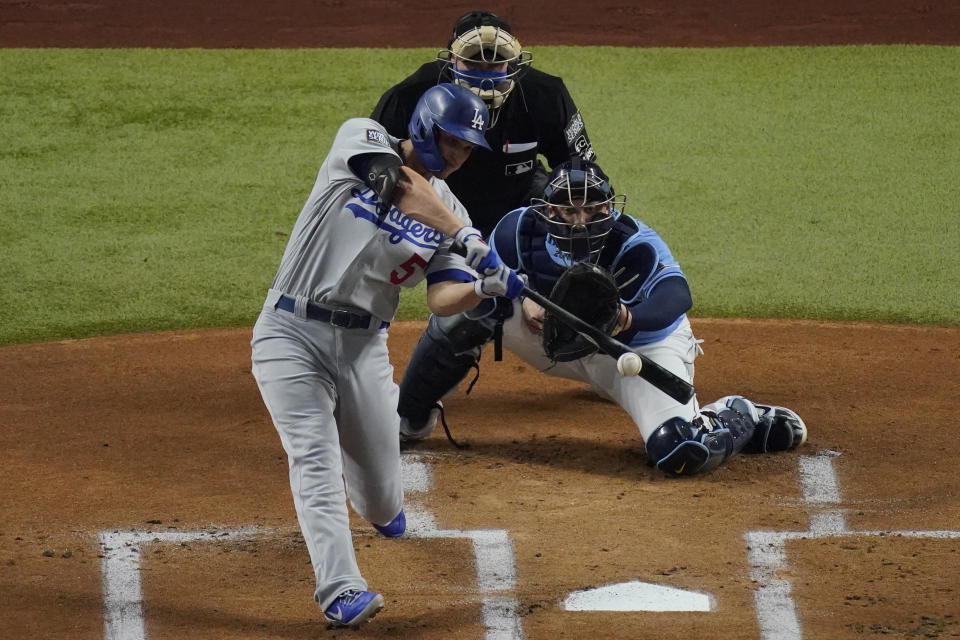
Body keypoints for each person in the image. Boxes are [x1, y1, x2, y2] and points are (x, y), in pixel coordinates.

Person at [250, 83, 524, 628]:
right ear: (424, 126)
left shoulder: (452, 210)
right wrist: (468, 235)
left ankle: (381, 509)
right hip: (289, 333)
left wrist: (485, 287)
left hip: (363, 349)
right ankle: (340, 588)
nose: (457, 156)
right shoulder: (362, 138)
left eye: (468, 149)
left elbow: (443, 296)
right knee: (314, 457)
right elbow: (395, 186)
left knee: (380, 500)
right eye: (452, 141)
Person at [400, 158, 808, 476]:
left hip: (631, 353)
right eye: (567, 210)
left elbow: (675, 295)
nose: (580, 220)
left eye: (592, 209)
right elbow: (469, 283)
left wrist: (625, 319)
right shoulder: (516, 231)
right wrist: (522, 294)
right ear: (547, 210)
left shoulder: (634, 243)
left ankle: (740, 415)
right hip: (552, 342)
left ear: (609, 207)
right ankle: (408, 418)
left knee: (680, 450)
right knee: (475, 307)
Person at [371, 9, 596, 236]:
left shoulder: (545, 94)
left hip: (518, 200)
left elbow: (578, 166)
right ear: (453, 59)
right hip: (437, 200)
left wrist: (577, 214)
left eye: (496, 63)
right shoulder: (414, 93)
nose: (485, 74)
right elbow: (375, 147)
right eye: (473, 62)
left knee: (579, 198)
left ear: (513, 62)